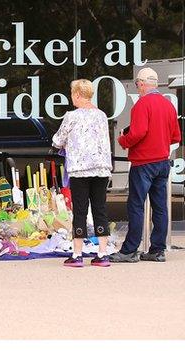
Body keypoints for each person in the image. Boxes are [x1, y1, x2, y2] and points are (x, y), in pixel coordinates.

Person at [109, 68, 181, 263]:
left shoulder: (142, 104)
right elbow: (176, 136)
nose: (137, 88)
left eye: (137, 84)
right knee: (160, 208)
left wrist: (123, 140)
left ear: (141, 83)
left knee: (136, 206)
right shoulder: (168, 105)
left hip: (143, 163)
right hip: (162, 162)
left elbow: (139, 132)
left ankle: (130, 249)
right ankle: (158, 250)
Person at [52, 79, 113, 268]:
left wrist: (58, 144)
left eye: (72, 94)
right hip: (101, 169)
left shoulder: (71, 116)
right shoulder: (102, 115)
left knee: (80, 210)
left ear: (78, 94)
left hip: (80, 170)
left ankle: (77, 255)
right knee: (99, 209)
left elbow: (58, 139)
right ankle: (102, 254)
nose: (72, 98)